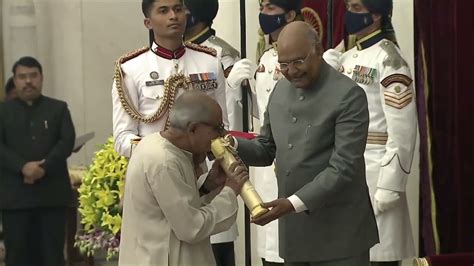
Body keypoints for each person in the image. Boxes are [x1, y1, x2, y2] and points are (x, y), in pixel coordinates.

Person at [234, 21, 378, 266]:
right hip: (295, 234)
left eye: (299, 62)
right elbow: (267, 149)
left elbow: (343, 168)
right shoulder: (280, 90)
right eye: (284, 64)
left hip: (339, 235)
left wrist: (291, 204)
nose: (291, 71)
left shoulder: (348, 95)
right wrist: (231, 144)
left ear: (318, 50)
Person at [323, 0, 417, 265]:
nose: (349, 14)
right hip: (345, 169)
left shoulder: (389, 59)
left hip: (376, 173)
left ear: (376, 14)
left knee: (378, 257)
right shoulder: (346, 57)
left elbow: (403, 129)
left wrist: (391, 184)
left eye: (356, 7)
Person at [118, 91, 248, 266]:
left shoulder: (159, 145)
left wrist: (208, 185)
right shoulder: (163, 160)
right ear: (193, 129)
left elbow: (175, 205)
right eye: (217, 128)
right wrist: (231, 190)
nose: (223, 134)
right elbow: (192, 227)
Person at [226, 0, 303, 264]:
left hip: (296, 158)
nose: (263, 15)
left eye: (270, 9)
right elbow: (262, 114)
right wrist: (234, 89)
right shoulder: (266, 58)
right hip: (266, 160)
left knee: (293, 244)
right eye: (261, 9)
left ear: (290, 14)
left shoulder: (305, 58)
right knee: (268, 246)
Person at [112, 0, 228, 158]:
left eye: (178, 9)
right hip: (156, 167)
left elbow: (222, 126)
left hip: (201, 169)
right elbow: (123, 138)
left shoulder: (209, 62)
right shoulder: (131, 69)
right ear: (148, 23)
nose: (173, 16)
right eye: (163, 11)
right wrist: (161, 149)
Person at [0, 56, 76, 266]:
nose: (28, 81)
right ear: (14, 81)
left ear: (41, 78)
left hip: (51, 196)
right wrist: (22, 167)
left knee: (52, 256)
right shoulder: (3, 111)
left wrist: (44, 167)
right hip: (15, 200)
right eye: (22, 77)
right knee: (17, 257)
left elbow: (66, 141)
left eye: (33, 76)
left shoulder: (58, 109)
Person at [183, 0, 242, 264]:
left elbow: (229, 116)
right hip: (184, 161)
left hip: (210, 160)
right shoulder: (180, 52)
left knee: (217, 249)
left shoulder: (220, 53)